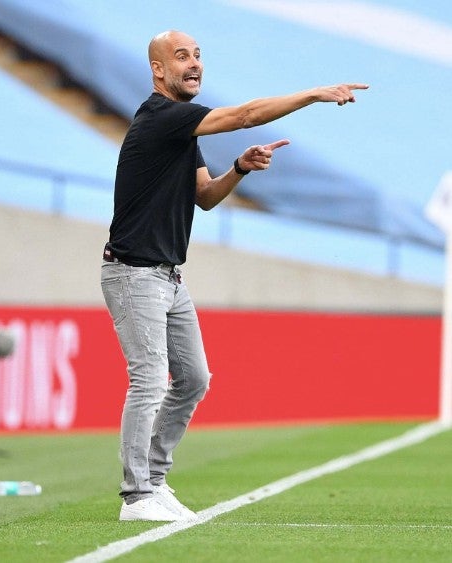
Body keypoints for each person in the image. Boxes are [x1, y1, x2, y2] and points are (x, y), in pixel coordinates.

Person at [101, 30, 368, 522]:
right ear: (158, 70)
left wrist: (239, 169)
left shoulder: (182, 130)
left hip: (167, 276)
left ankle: (155, 482)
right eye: (182, 56)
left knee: (195, 379)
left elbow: (203, 195)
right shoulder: (163, 117)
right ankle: (137, 495)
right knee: (148, 382)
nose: (195, 63)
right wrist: (311, 95)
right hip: (134, 274)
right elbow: (243, 115)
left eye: (199, 55)